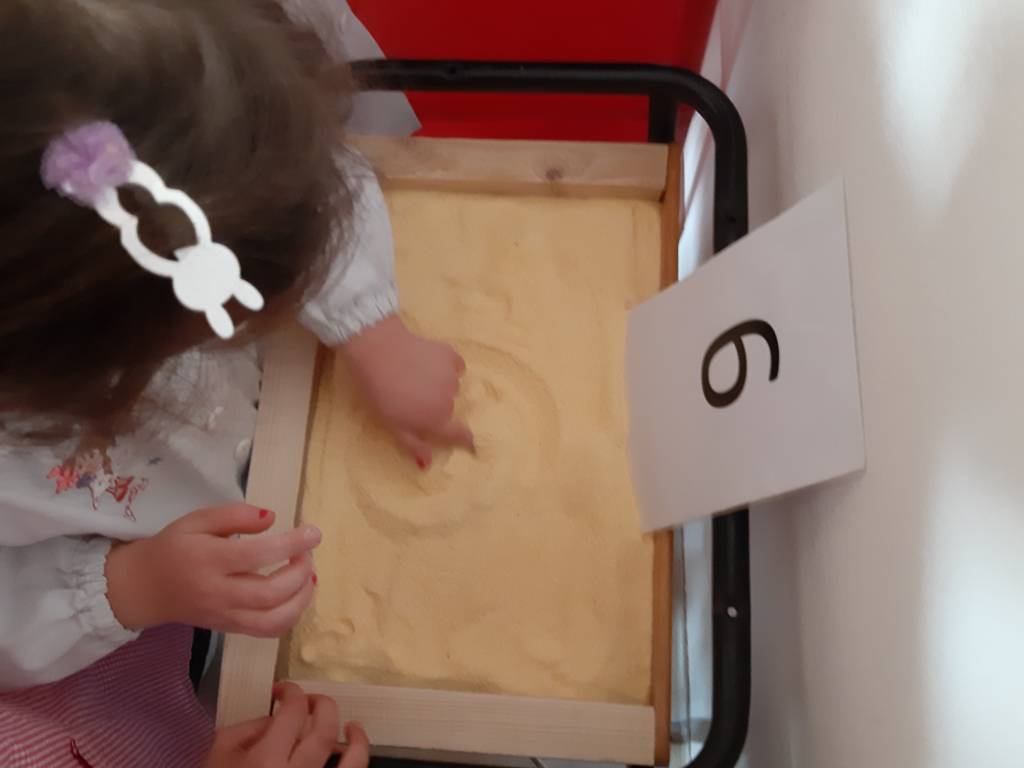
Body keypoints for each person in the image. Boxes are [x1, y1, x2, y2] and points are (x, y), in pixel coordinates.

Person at [0, 1, 473, 766]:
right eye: (208, 321)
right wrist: (127, 586)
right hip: (129, 584)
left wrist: (369, 323)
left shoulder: (144, 61)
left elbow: (290, 161)